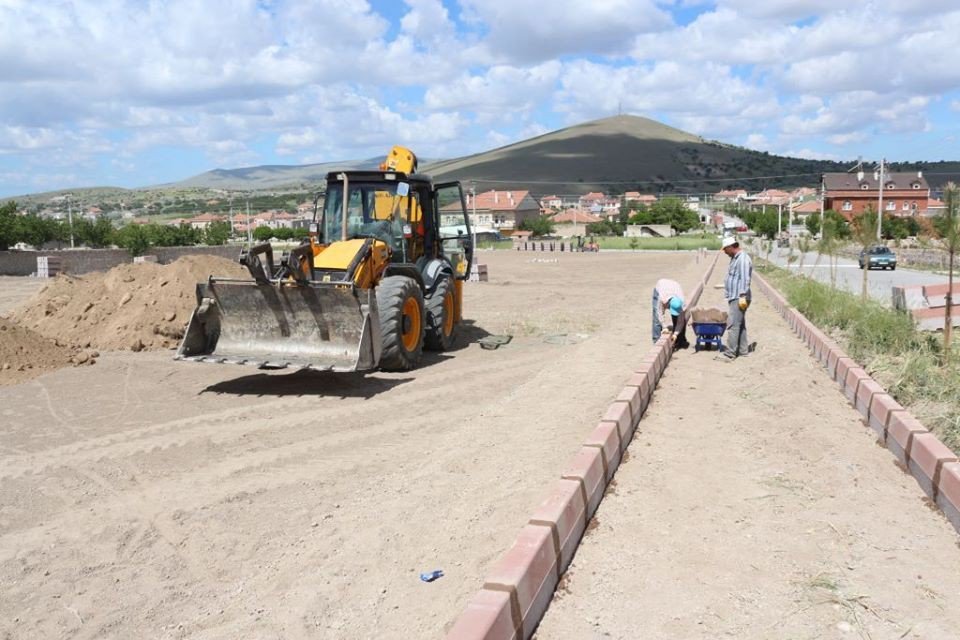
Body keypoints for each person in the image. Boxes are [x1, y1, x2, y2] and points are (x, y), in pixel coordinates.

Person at [718, 236, 755, 360]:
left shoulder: (743, 259)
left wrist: (742, 295)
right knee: (740, 324)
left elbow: (745, 279)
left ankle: (730, 353)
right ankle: (743, 350)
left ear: (731, 247)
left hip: (739, 297)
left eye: (725, 249)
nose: (724, 252)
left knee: (733, 324)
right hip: (735, 296)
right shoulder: (735, 258)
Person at [652, 278, 689, 348]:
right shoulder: (661, 299)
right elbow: (659, 313)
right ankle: (656, 341)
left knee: (678, 318)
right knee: (656, 319)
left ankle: (679, 341)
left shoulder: (682, 303)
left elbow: (680, 321)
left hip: (674, 287)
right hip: (661, 286)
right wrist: (664, 327)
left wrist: (675, 334)